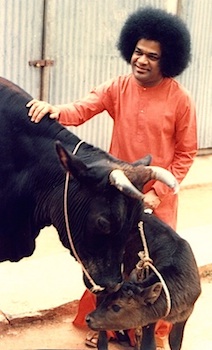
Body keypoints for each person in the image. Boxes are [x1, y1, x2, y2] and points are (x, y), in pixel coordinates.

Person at [27, 7, 197, 350]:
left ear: (168, 61)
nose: (142, 61)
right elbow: (83, 107)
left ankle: (156, 333)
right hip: (116, 198)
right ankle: (110, 326)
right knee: (110, 262)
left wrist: (158, 193)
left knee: (153, 271)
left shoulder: (180, 100)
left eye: (152, 56)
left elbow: (186, 153)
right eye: (137, 52)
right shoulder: (118, 87)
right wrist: (55, 110)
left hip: (156, 202)